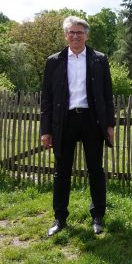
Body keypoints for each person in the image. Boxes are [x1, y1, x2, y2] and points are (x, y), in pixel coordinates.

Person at [40, 16, 115, 237]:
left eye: (79, 33)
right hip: (64, 121)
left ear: (86, 35)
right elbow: (46, 97)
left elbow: (107, 95)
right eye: (71, 32)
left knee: (95, 170)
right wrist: (46, 129)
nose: (75, 36)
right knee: (62, 171)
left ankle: (98, 216)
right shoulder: (54, 61)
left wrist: (109, 124)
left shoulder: (99, 60)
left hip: (92, 120)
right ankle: (60, 218)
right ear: (65, 35)